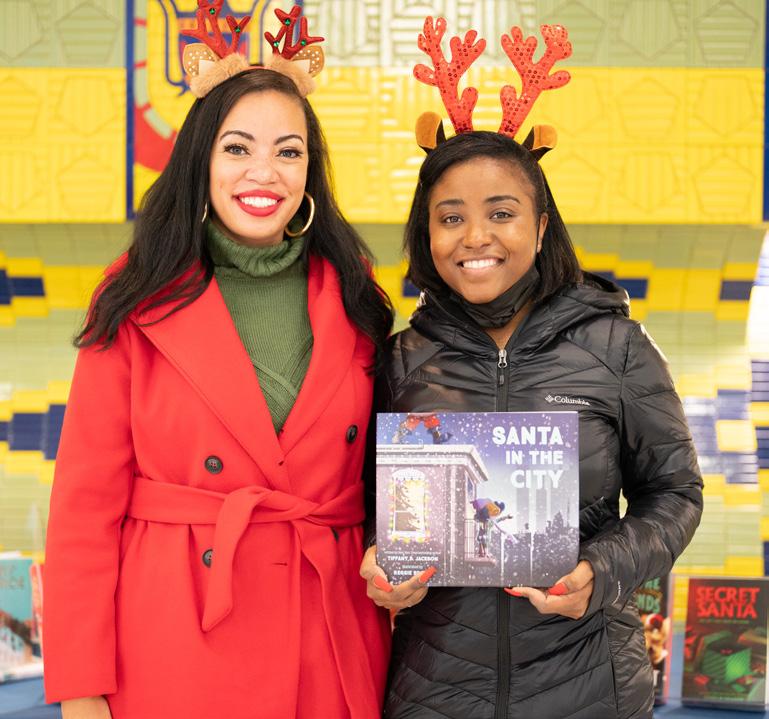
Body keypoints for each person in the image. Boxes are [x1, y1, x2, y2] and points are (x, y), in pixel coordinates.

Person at [43, 6, 393, 718]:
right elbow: (83, 511)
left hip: (329, 637)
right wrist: (80, 688)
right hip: (175, 637)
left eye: (288, 152)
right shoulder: (135, 295)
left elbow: (388, 474)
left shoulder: (358, 296)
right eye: (237, 148)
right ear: (201, 159)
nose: (263, 172)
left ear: (310, 170)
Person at [360, 18, 703, 719]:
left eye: (501, 213)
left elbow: (675, 492)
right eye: (450, 217)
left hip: (591, 687)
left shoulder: (615, 345)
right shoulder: (398, 358)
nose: (475, 237)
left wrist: (599, 569)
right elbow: (364, 503)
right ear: (427, 234)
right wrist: (376, 559)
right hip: (435, 690)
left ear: (541, 227)